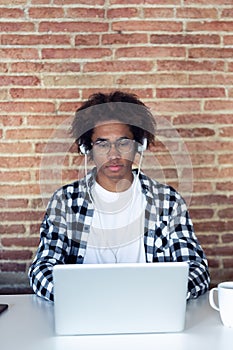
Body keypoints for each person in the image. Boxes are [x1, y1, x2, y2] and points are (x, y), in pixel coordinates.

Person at [28, 90, 210, 302]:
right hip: (85, 309)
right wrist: (78, 298)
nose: (113, 154)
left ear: (138, 146)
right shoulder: (66, 201)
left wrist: (162, 295)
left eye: (123, 143)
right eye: (102, 144)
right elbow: (41, 268)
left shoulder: (167, 201)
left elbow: (197, 269)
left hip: (150, 308)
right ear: (88, 149)